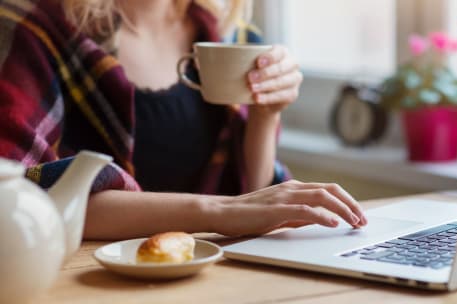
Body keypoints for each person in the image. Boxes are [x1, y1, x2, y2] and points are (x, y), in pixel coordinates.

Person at [0, 0, 367, 240]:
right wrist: (218, 212)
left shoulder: (223, 30)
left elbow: (251, 200)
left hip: (210, 277)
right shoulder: (30, 24)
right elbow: (16, 195)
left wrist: (265, 115)